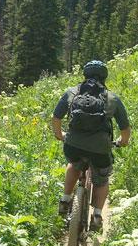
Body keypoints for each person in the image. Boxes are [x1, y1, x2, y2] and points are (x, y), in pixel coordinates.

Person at [51, 60, 131, 235]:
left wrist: (60, 135)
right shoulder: (112, 98)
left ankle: (65, 200)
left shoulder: (71, 93)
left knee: (73, 164)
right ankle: (96, 215)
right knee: (102, 178)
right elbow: (125, 129)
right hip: (100, 149)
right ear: (104, 77)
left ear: (84, 75)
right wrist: (122, 141)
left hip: (73, 145)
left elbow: (56, 118)